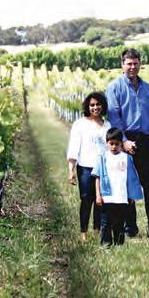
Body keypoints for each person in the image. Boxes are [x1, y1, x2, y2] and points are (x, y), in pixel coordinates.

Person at [106, 48, 149, 238]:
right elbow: (114, 117)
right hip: (124, 140)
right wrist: (123, 141)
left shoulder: (146, 87)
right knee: (126, 186)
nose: (132, 67)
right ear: (122, 65)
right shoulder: (114, 88)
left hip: (145, 140)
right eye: (129, 64)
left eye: (135, 63)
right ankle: (130, 228)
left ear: (140, 64)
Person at [67, 92, 110, 241]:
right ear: (87, 106)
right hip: (85, 168)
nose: (95, 107)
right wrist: (71, 170)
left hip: (103, 168)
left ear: (103, 106)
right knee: (86, 199)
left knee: (100, 200)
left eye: (98, 104)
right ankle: (83, 232)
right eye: (92, 105)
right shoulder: (80, 124)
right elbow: (74, 147)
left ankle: (97, 230)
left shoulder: (107, 125)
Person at [92, 128, 143, 246]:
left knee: (119, 223)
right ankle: (106, 244)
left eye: (116, 144)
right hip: (107, 197)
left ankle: (119, 244)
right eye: (111, 143)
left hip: (121, 197)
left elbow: (131, 178)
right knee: (106, 223)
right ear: (107, 143)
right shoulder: (102, 157)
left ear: (121, 144)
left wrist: (131, 195)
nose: (114, 146)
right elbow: (97, 177)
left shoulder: (127, 158)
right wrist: (98, 195)